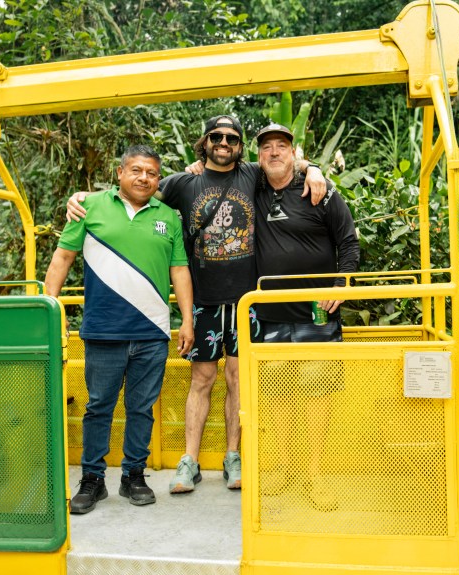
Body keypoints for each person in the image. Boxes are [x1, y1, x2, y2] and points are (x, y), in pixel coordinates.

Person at [65, 115, 327, 495]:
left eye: (232, 138)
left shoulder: (252, 173)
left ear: (239, 146)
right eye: (217, 137)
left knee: (238, 378)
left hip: (245, 302)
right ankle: (189, 461)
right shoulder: (183, 182)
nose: (224, 143)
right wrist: (83, 198)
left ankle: (232, 456)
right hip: (204, 299)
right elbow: (134, 193)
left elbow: (284, 160)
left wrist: (315, 168)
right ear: (204, 142)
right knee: (202, 379)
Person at [45, 144, 194, 514]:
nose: (144, 178)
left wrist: (187, 320)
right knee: (99, 408)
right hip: (102, 331)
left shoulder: (168, 217)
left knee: (142, 409)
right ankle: (92, 480)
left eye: (152, 173)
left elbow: (179, 270)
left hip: (152, 332)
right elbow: (63, 257)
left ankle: (134, 475)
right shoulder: (89, 207)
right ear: (120, 173)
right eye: (137, 170)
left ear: (158, 179)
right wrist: (48, 306)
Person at [250, 123, 360, 512]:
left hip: (316, 316)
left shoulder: (320, 190)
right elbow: (214, 173)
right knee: (278, 396)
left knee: (318, 398)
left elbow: (348, 241)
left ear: (294, 153)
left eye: (282, 145)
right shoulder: (254, 188)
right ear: (259, 156)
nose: (274, 152)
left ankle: (315, 474)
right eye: (267, 147)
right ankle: (282, 466)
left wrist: (340, 286)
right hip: (271, 316)